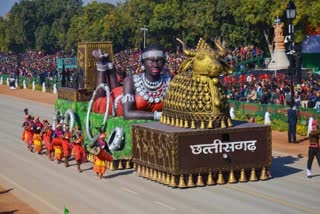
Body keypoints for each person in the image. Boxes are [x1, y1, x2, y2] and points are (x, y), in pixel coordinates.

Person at [92, 45, 171, 120]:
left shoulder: (170, 81)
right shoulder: (131, 81)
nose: (155, 65)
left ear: (164, 62)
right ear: (142, 63)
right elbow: (127, 113)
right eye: (151, 61)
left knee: (117, 90)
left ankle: (110, 67)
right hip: (116, 104)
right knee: (98, 102)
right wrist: (158, 115)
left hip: (122, 92)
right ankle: (101, 64)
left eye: (159, 61)